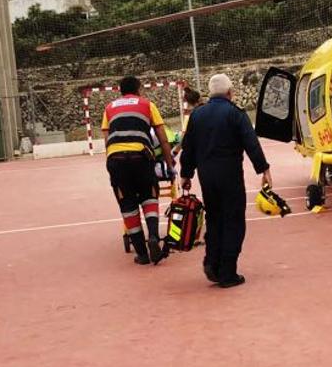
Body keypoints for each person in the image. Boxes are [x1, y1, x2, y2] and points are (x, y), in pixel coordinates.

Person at [180, 73, 271, 288]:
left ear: (209, 93)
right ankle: (227, 272)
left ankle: (211, 261)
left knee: (214, 219)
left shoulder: (197, 115)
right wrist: (263, 169)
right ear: (230, 92)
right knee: (233, 220)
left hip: (206, 177)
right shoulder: (235, 113)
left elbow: (188, 147)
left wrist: (186, 173)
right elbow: (251, 143)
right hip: (230, 174)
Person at [102, 76, 176, 265]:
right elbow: (162, 137)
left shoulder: (109, 108)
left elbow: (106, 138)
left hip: (116, 159)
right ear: (138, 89)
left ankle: (142, 254)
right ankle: (153, 236)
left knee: (127, 204)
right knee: (149, 196)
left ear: (120, 91)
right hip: (141, 157)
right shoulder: (147, 105)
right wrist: (169, 164)